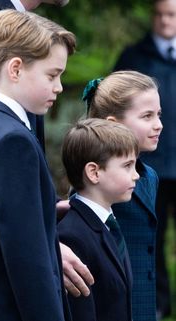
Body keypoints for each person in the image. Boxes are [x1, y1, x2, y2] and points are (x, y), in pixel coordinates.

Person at [0, 0, 93, 319]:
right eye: (52, 75)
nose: (59, 87)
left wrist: (37, 203)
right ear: (15, 68)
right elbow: (28, 265)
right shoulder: (12, 142)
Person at [114, 1, 176, 318]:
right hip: (151, 166)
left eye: (172, 14)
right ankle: (158, 301)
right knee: (150, 232)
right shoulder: (134, 58)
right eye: (160, 14)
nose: (165, 21)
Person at [84, 70, 163, 321]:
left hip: (143, 303)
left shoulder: (149, 176)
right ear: (114, 123)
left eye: (158, 115)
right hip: (113, 307)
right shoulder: (96, 178)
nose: (158, 124)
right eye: (147, 116)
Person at [58, 118, 139, 321]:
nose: (136, 175)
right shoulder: (72, 236)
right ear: (94, 172)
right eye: (127, 166)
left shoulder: (109, 225)